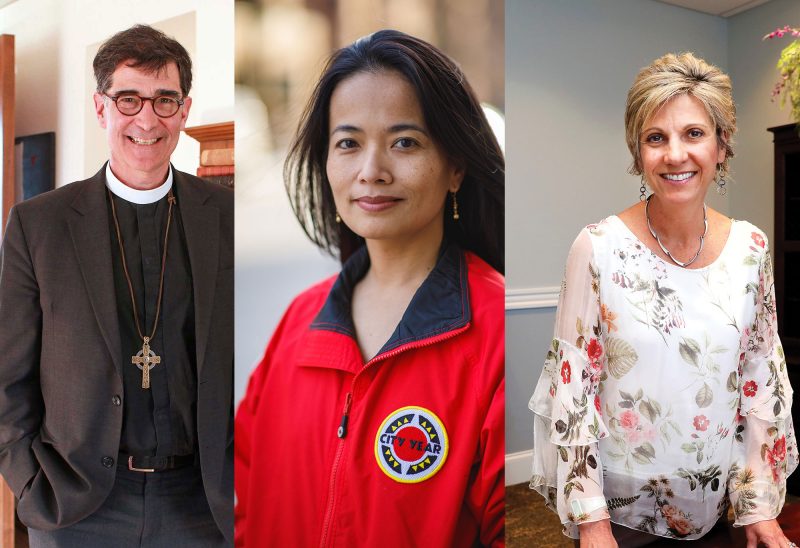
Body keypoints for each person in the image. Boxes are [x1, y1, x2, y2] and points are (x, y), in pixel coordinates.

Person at [235, 29, 504, 547]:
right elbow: (245, 502)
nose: (371, 171)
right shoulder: (298, 323)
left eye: (404, 142)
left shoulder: (491, 328)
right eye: (348, 143)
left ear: (456, 168)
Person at [529, 52, 798, 547]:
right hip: (621, 520)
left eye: (694, 134)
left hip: (720, 508)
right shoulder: (597, 248)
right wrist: (592, 524)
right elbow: (574, 394)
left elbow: (761, 379)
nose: (675, 154)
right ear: (638, 154)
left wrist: (758, 505)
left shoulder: (752, 250)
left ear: (722, 147)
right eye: (656, 138)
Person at [0, 25, 233, 546]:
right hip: (78, 504)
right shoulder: (39, 225)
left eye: (164, 100)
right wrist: (32, 483)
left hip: (203, 506)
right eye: (128, 99)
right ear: (101, 108)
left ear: (185, 109)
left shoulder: (229, 218)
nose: (147, 119)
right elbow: (6, 376)